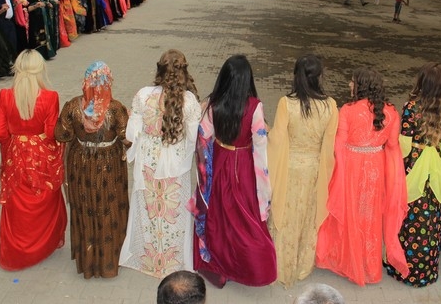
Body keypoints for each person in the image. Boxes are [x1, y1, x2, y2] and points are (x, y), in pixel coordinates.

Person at [189, 55, 276, 288]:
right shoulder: (254, 107)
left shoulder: (213, 104)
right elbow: (260, 149)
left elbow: (203, 137)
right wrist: (264, 191)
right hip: (244, 166)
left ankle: (221, 262)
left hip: (219, 162)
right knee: (245, 219)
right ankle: (251, 267)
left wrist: (202, 177)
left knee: (220, 215)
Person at [316, 67, 408, 286]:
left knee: (350, 214)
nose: (349, 85)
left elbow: (339, 144)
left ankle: (348, 262)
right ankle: (369, 267)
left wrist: (336, 169)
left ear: (361, 86)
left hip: (351, 168)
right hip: (376, 169)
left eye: (352, 81)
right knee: (371, 217)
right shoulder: (391, 112)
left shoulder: (347, 110)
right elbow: (394, 145)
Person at [119, 50, 201, 278]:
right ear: (184, 71)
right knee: (174, 211)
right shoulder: (189, 101)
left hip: (148, 162)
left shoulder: (143, 95)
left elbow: (132, 134)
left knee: (149, 209)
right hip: (176, 164)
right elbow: (195, 139)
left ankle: (149, 259)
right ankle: (173, 262)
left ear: (159, 70)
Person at [267, 55, 338, 287]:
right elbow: (329, 145)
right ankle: (302, 266)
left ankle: (281, 267)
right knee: (308, 215)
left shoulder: (287, 103)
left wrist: (265, 131)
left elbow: (277, 140)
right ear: (319, 77)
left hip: (289, 167)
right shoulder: (330, 105)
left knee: (286, 216)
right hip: (314, 168)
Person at [54, 61, 131, 279]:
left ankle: (87, 262)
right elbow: (127, 140)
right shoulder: (116, 108)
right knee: (110, 207)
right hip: (109, 166)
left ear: (85, 82)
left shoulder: (71, 106)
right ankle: (108, 261)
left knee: (85, 208)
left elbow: (61, 134)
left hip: (82, 164)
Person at [0, 50, 67, 270]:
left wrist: (17, 141)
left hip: (16, 156)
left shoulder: (5, 95)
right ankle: (45, 243)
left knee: (16, 204)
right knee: (45, 198)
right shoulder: (50, 96)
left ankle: (18, 251)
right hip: (41, 156)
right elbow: (52, 132)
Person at [385, 63, 441, 287]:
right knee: (431, 216)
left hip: (413, 166)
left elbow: (404, 145)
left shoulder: (411, 106)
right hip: (435, 165)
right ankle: (426, 269)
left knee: (407, 215)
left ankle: (403, 266)